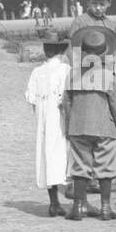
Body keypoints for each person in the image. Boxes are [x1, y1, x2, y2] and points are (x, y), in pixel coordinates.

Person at [63, 25, 116, 221]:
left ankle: (78, 206)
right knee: (105, 165)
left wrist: (68, 126)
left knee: (80, 164)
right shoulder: (107, 76)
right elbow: (115, 104)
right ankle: (105, 208)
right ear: (104, 53)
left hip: (78, 126)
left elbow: (66, 103)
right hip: (103, 127)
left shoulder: (72, 75)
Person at [27, 34, 73, 216]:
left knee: (46, 154)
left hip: (43, 119)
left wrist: (40, 117)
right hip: (61, 118)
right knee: (65, 153)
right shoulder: (66, 70)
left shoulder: (37, 72)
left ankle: (54, 202)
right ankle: (75, 197)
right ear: (61, 52)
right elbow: (69, 98)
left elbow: (31, 99)